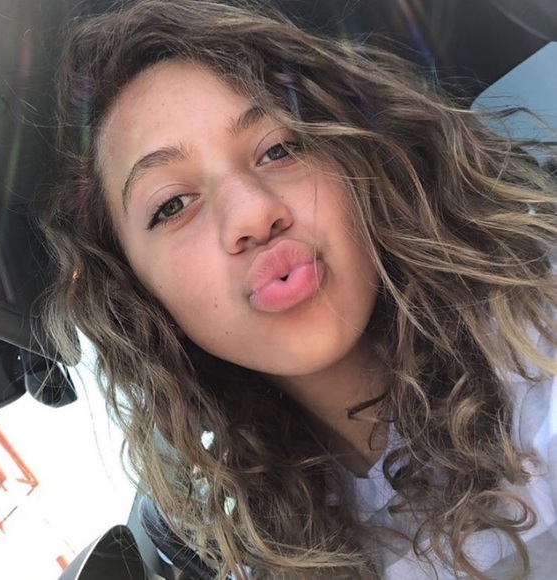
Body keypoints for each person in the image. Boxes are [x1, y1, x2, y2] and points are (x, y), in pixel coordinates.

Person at [42, 0, 557, 578]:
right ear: (137, 294)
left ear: (354, 159)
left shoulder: (539, 339)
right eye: (173, 204)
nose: (253, 214)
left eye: (279, 148)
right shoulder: (264, 551)